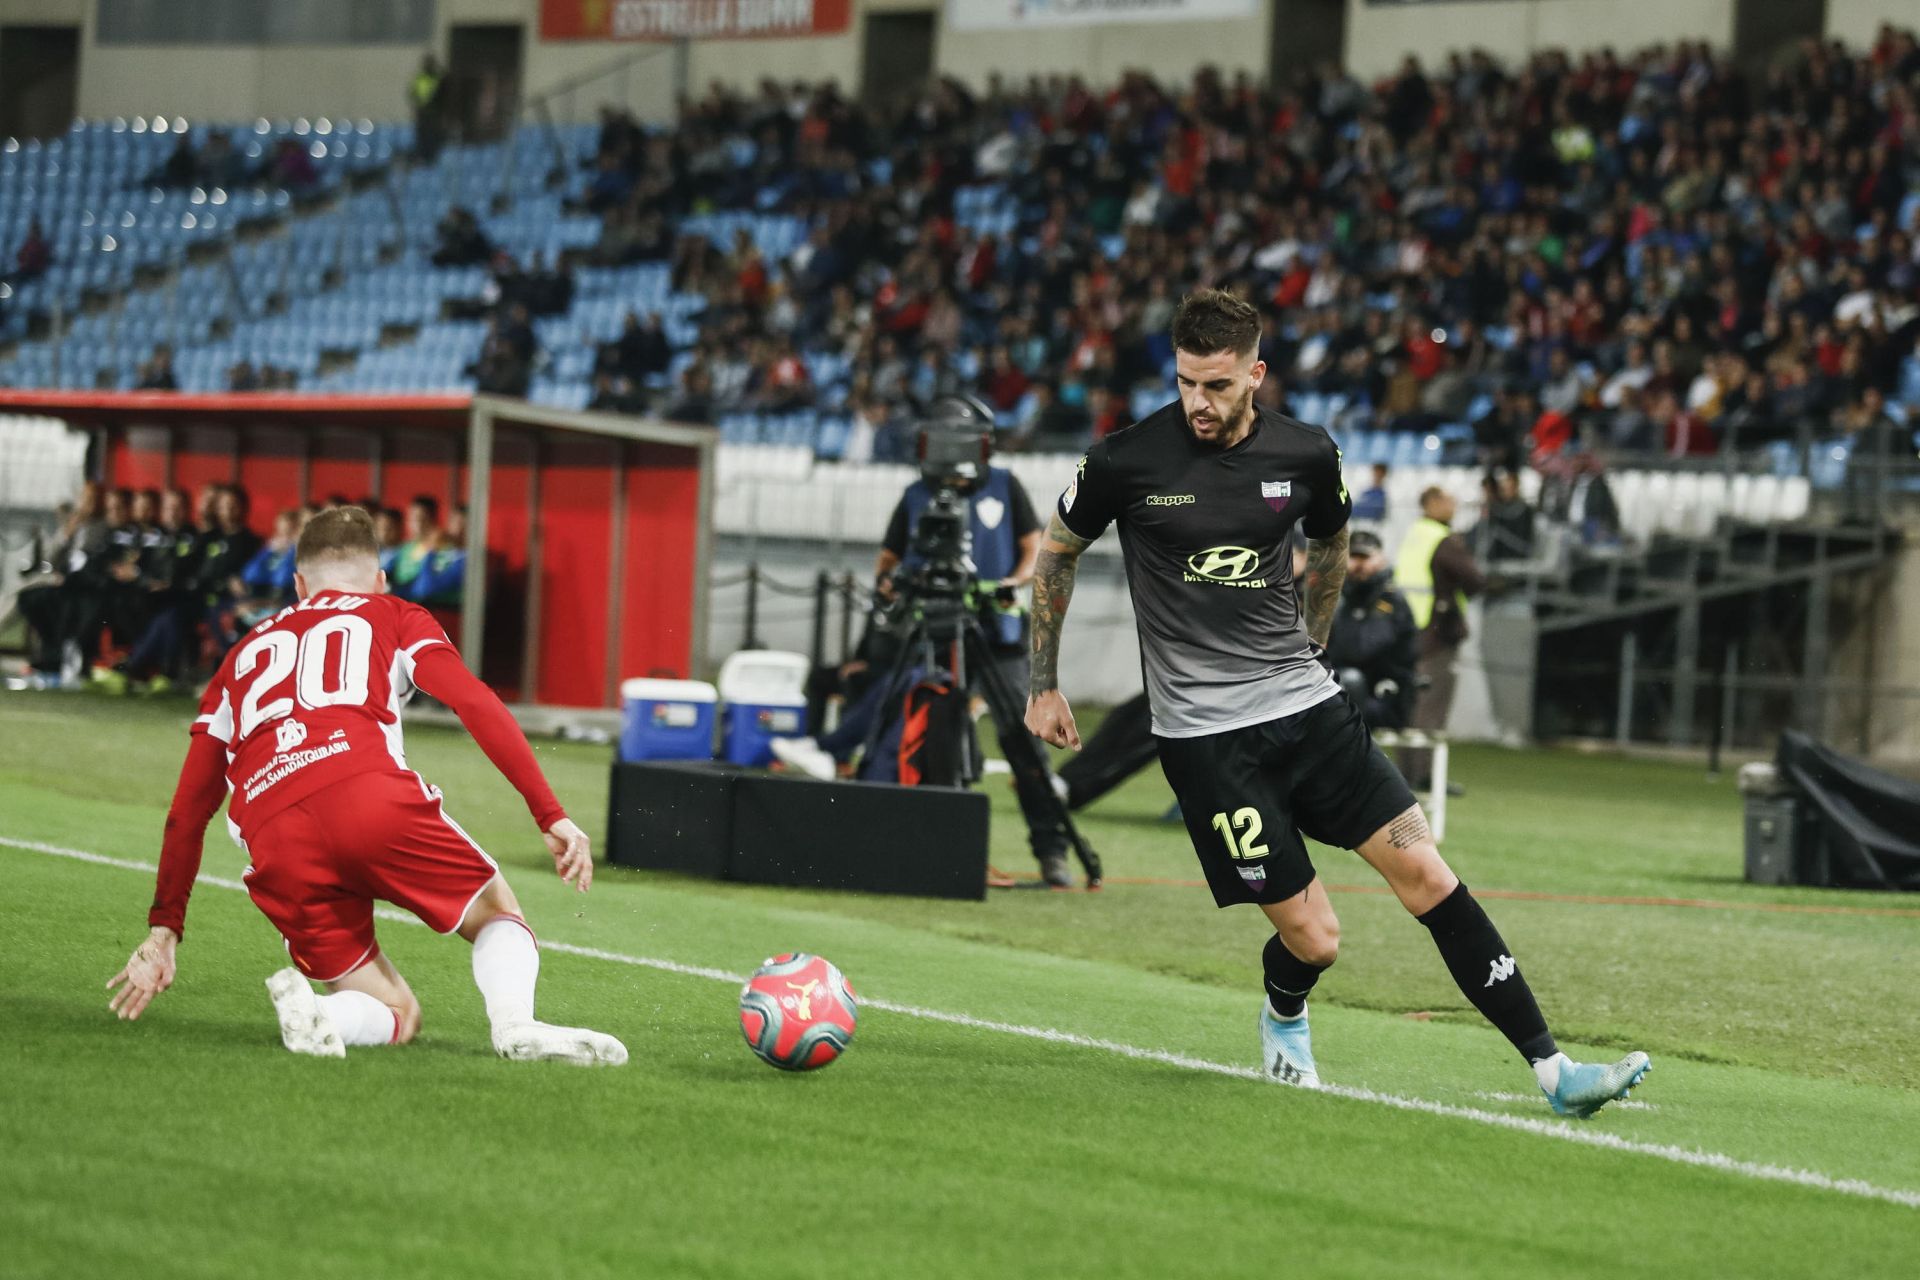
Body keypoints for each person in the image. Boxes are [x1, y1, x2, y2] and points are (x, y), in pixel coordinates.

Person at [1024, 289, 1646, 1115]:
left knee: (1428, 872)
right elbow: (1058, 556)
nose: (1197, 404)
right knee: (1317, 940)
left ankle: (1554, 1071)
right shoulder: (1125, 461)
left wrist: (1313, 645)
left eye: (1215, 385)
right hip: (1210, 744)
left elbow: (1331, 542)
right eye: (1184, 384)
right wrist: (1043, 683)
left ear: (1256, 372)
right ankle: (1285, 1011)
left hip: (1311, 715)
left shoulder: (1308, 453)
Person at [106, 507, 626, 1067]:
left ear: (298, 585)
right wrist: (549, 813)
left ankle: (323, 1017)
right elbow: (474, 701)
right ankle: (515, 1025)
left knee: (396, 1013)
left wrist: (165, 931)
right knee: (496, 912)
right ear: (379, 579)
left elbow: (188, 809)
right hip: (367, 795)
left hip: (273, 836)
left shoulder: (239, 656)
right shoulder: (394, 614)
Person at [773, 395, 1076, 886]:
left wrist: (1009, 586)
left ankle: (1052, 849)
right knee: (915, 723)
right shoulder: (916, 495)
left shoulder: (1005, 486)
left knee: (1023, 739)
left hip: (996, 637)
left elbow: (1032, 549)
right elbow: (888, 560)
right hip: (934, 628)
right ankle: (912, 840)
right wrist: (893, 587)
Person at [1395, 486, 1486, 787]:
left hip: (1409, 632)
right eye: (1448, 500)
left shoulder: (1415, 534)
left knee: (1411, 706)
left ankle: (1405, 772)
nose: (1454, 505)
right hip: (1437, 634)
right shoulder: (1443, 540)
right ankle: (1424, 775)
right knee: (1431, 706)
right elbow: (1474, 579)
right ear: (1432, 503)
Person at [1325, 529, 1417, 729]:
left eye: (1365, 557)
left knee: (1349, 680)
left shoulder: (1391, 601)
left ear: (1381, 559)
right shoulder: (1338, 597)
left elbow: (1360, 649)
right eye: (1353, 557)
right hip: (1349, 688)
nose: (1358, 565)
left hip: (1384, 693)